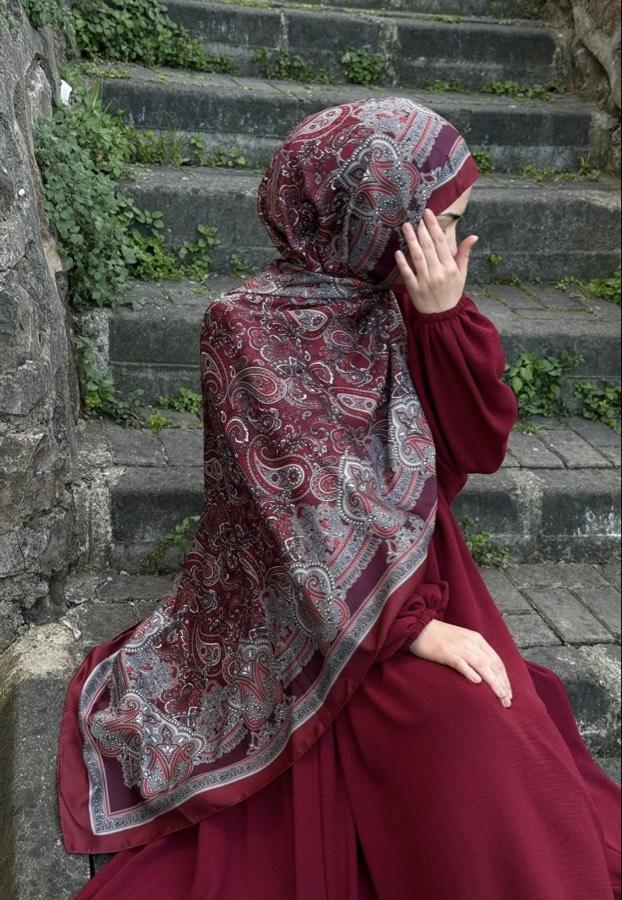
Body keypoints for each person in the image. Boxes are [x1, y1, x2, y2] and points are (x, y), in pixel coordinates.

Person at [56, 97, 621, 899]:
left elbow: (476, 449)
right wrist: (411, 631)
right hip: (310, 609)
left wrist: (442, 321)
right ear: (376, 214)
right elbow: (297, 511)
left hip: (419, 577)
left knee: (504, 750)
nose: (451, 247)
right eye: (441, 221)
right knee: (471, 742)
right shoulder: (242, 327)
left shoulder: (406, 299)